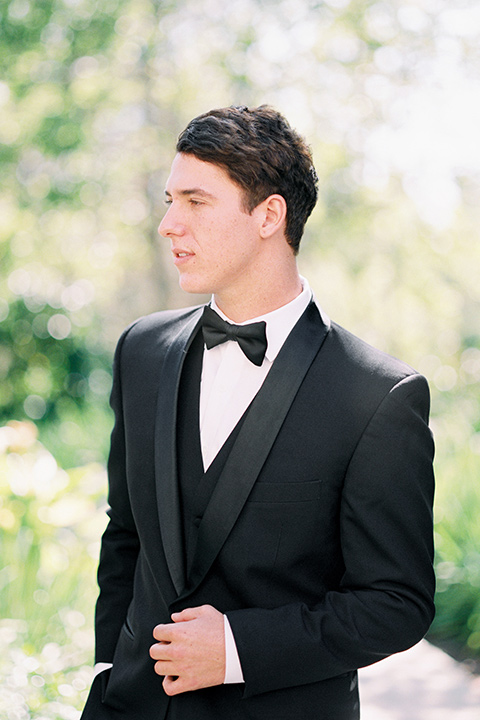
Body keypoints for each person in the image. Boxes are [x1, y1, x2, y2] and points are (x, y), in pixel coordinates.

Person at [80, 105, 435, 720]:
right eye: (170, 200)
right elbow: (127, 533)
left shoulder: (378, 395)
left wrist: (238, 648)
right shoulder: (141, 350)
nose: (168, 224)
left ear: (269, 214)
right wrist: (110, 666)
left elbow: (395, 602)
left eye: (196, 202)